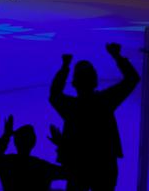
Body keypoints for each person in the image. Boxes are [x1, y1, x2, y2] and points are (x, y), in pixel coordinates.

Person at [49, 44, 139, 191]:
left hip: (77, 165)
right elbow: (132, 79)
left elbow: (54, 94)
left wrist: (65, 67)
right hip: (104, 163)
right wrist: (117, 56)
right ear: (95, 81)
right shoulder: (105, 101)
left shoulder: (71, 107)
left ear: (74, 83)